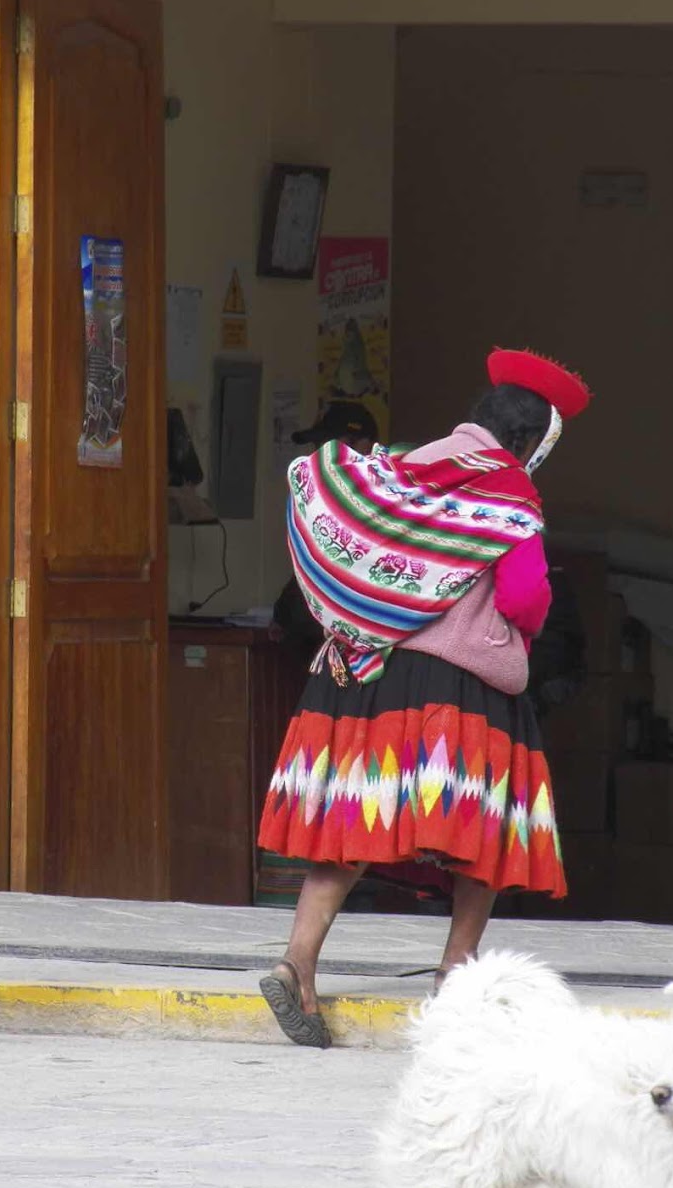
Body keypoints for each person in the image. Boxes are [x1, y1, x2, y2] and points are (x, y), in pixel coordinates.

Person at [256, 348, 591, 1048]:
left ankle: (297, 964)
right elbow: (526, 594)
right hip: (454, 686)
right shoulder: (507, 491)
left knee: (347, 823)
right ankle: (453, 979)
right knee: (482, 833)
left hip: (359, 670)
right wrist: (520, 628)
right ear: (527, 443)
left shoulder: (400, 465)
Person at [269, 401, 380, 655]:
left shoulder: (384, 503)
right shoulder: (321, 498)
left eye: (327, 449)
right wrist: (283, 615)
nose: (317, 459)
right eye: (316, 449)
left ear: (361, 446)